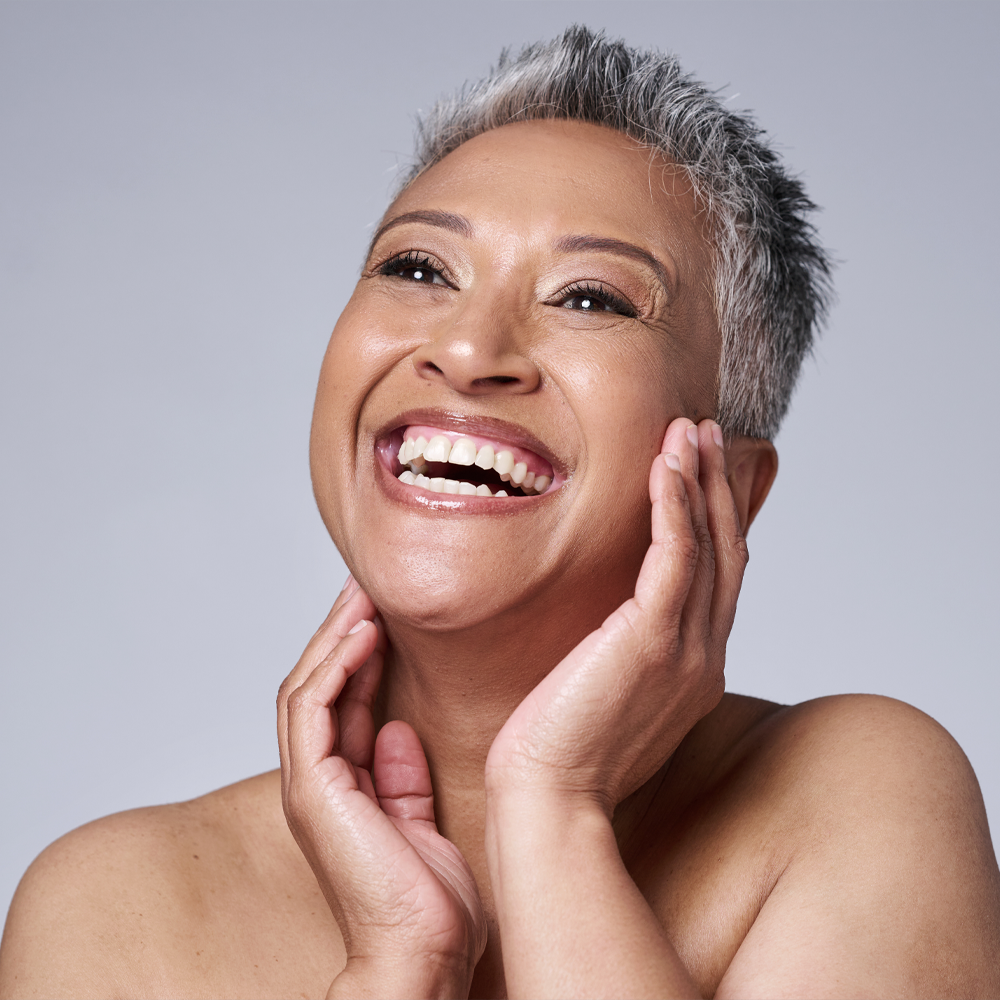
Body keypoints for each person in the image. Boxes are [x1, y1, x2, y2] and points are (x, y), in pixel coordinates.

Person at [2, 25, 998, 1000]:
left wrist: (552, 812)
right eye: (418, 268)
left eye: (592, 299)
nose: (470, 348)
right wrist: (400, 968)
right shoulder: (113, 908)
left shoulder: (858, 797)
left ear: (730, 489)